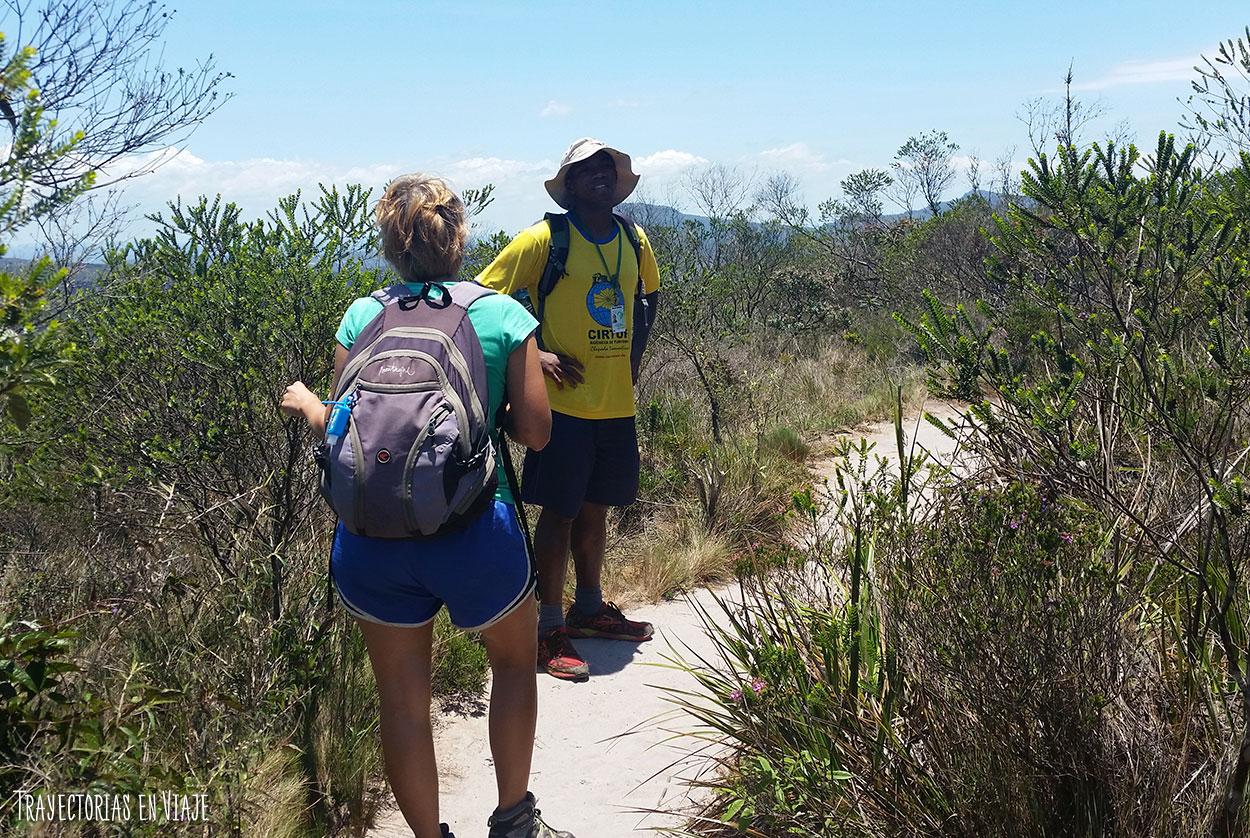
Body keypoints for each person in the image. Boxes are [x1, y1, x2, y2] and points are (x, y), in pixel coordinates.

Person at [280, 174, 573, 838]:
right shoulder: (500, 314)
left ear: (390, 243)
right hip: (478, 529)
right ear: (460, 237)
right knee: (511, 664)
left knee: (404, 705)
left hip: (373, 539)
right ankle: (513, 821)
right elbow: (535, 432)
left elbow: (345, 429)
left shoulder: (362, 315)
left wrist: (306, 405)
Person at [476, 138, 661, 681]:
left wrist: (633, 362)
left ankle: (590, 608)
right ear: (570, 184)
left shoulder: (634, 238)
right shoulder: (544, 238)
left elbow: (647, 297)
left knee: (595, 508)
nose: (601, 175)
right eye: (588, 168)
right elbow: (486, 297)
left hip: (614, 405)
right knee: (558, 513)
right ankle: (548, 627)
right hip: (562, 410)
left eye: (608, 166)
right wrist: (536, 353)